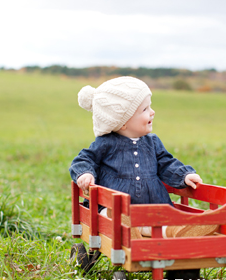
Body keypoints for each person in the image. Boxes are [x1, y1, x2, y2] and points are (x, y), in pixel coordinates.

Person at [69, 77, 216, 239]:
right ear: (123, 122)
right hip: (114, 207)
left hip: (151, 207)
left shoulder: (152, 142)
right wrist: (85, 174)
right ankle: (127, 229)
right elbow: (83, 160)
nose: (152, 112)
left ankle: (179, 231)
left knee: (160, 223)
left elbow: (167, 163)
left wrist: (184, 175)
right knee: (110, 214)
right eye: (145, 109)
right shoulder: (105, 143)